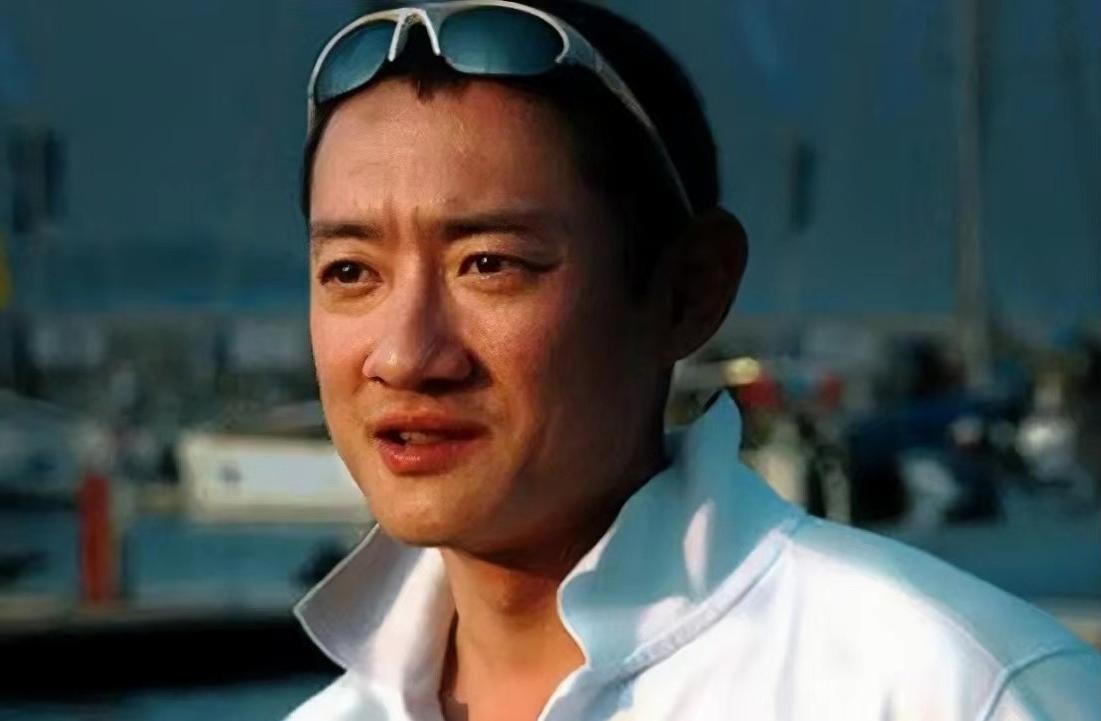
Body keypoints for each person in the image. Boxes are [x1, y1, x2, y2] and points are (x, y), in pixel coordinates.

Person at [288, 1, 1101, 719]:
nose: (406, 354)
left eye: (490, 263)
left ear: (688, 291)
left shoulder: (951, 688)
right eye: (350, 272)